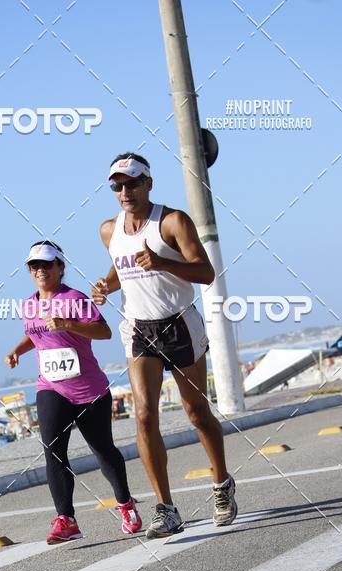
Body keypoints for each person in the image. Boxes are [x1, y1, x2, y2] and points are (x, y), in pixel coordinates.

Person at [92, 152, 237, 539]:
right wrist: (107, 284)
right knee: (143, 417)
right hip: (139, 329)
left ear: (148, 184)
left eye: (132, 183)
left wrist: (161, 262)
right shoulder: (109, 230)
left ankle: (221, 484)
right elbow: (122, 266)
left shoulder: (172, 221)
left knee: (196, 413)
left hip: (179, 325)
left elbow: (205, 272)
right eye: (117, 185)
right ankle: (165, 508)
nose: (124, 191)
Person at [5, 240, 142, 544]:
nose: (40, 270)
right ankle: (66, 519)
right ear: (30, 271)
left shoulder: (76, 299)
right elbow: (35, 335)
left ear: (60, 267)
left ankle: (126, 504)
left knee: (103, 451)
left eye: (46, 264)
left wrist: (69, 324)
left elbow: (104, 331)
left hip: (88, 390)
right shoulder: (29, 305)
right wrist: (18, 350)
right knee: (53, 451)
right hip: (50, 387)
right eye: (34, 266)